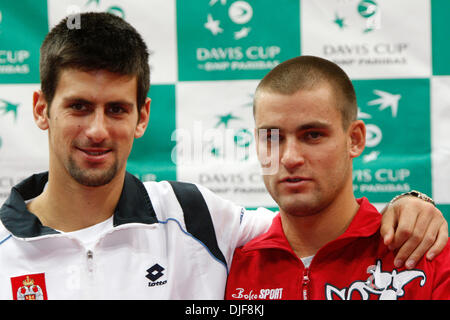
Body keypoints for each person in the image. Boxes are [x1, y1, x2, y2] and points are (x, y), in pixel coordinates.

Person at [0, 13, 446, 300]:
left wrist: (414, 203)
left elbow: (308, 226)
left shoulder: (198, 219)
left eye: (116, 109)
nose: (97, 130)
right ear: (42, 109)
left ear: (141, 117)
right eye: (79, 106)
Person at [225, 56, 450, 300]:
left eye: (312, 135)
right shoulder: (224, 271)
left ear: (354, 139)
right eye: (272, 137)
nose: (290, 158)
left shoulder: (425, 258)